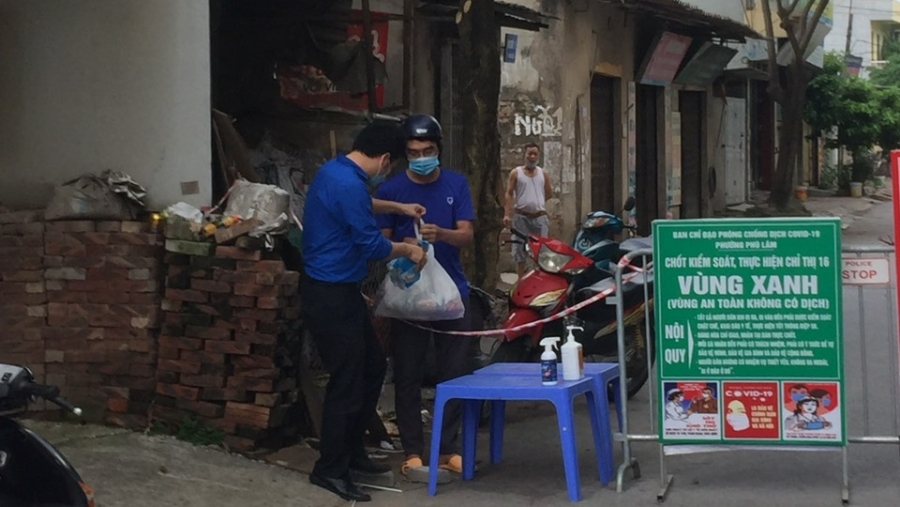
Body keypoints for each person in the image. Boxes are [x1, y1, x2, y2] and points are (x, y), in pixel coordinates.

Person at [301, 121, 428, 502]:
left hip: (341, 291)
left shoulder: (338, 172)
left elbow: (360, 204)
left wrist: (398, 206)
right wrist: (408, 250)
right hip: (329, 293)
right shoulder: (347, 183)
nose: (387, 172)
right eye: (391, 166)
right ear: (386, 159)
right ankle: (330, 469)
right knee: (348, 379)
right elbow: (372, 245)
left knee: (372, 366)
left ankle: (351, 451)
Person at [375, 114, 476, 484]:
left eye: (428, 151)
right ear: (405, 154)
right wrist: (405, 247)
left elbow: (467, 235)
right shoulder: (391, 190)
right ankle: (413, 452)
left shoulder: (456, 184)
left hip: (452, 295)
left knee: (455, 375)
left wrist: (443, 235)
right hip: (409, 298)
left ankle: (449, 450)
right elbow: (380, 244)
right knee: (408, 375)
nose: (421, 157)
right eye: (414, 152)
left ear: (438, 150)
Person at [503, 142, 553, 279]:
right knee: (519, 249)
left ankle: (540, 278)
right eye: (529, 153)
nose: (532, 157)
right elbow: (509, 193)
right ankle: (520, 280)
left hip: (539, 218)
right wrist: (507, 214)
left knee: (541, 250)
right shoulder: (516, 173)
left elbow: (549, 193)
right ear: (524, 155)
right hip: (521, 217)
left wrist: (537, 204)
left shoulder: (543, 174)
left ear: (539, 156)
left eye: (535, 154)